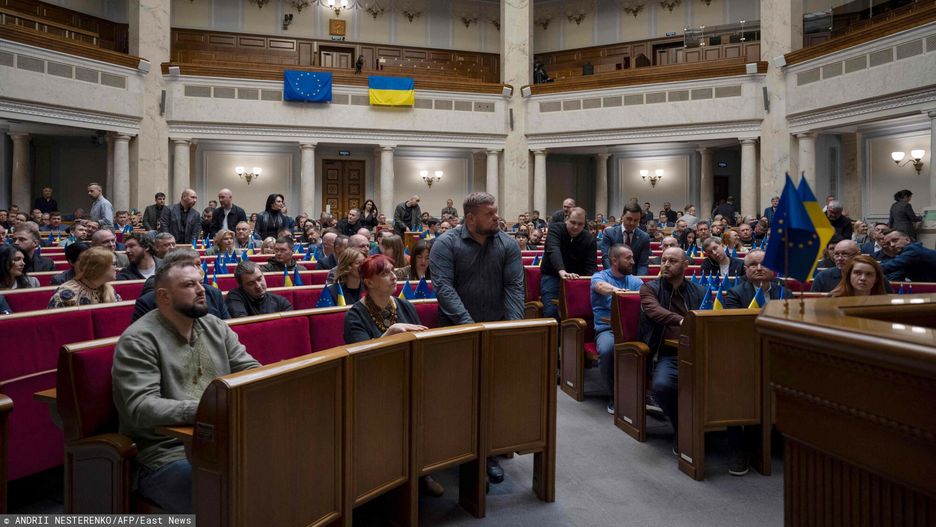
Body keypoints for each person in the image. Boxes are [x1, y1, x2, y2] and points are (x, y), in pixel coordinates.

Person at [112, 258, 260, 513]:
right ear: (164, 296)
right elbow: (140, 407)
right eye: (190, 284)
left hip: (222, 439)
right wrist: (207, 410)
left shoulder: (214, 326)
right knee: (227, 495)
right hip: (166, 455)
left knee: (282, 469)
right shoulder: (139, 340)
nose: (202, 289)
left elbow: (251, 370)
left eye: (200, 282)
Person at [428, 192, 523, 485]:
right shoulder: (446, 244)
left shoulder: (507, 244)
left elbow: (514, 287)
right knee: (456, 394)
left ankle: (487, 453)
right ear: (470, 218)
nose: (497, 217)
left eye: (496, 212)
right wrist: (470, 327)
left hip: (494, 329)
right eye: (489, 214)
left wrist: (513, 328)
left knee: (490, 393)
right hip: (455, 331)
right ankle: (452, 449)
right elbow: (444, 288)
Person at [638, 248, 707, 459]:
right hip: (666, 353)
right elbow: (654, 311)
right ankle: (682, 427)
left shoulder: (699, 290)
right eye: (664, 260)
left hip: (696, 351)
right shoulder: (650, 288)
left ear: (685, 265)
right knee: (662, 386)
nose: (665, 264)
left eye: (672, 261)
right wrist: (682, 320)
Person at [591, 245, 644, 413]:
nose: (633, 261)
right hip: (608, 328)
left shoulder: (635, 280)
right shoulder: (599, 276)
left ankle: (645, 393)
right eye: (628, 258)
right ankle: (614, 395)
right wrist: (618, 291)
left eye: (632, 257)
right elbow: (600, 286)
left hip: (633, 329)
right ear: (614, 260)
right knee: (607, 350)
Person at [132, 248, 230, 322]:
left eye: (198, 265)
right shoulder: (147, 303)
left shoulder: (213, 293)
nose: (197, 270)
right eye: (190, 266)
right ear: (170, 269)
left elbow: (227, 329)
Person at [540, 207, 597, 320]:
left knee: (583, 312)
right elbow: (553, 249)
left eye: (580, 224)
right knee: (551, 312)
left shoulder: (589, 239)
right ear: (566, 219)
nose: (576, 227)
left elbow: (591, 267)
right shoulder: (555, 229)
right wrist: (562, 271)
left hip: (577, 279)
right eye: (573, 222)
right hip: (553, 275)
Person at [48, 247, 121, 308]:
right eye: (114, 264)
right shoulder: (66, 294)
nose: (117, 268)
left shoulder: (108, 289)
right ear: (99, 267)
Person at [810, 239, 891, 293]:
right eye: (836, 254)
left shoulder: (873, 276)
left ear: (858, 255)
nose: (840, 258)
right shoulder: (823, 277)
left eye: (845, 254)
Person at [226, 260, 293, 318]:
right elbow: (243, 324)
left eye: (259, 279)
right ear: (241, 286)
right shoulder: (234, 297)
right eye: (251, 283)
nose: (258, 286)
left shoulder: (280, 302)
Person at [601, 203, 650, 275]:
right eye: (629, 219)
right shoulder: (609, 233)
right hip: (613, 276)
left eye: (636, 220)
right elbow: (606, 259)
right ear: (622, 216)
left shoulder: (644, 237)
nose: (632, 223)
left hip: (634, 278)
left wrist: (639, 282)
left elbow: (643, 264)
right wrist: (613, 277)